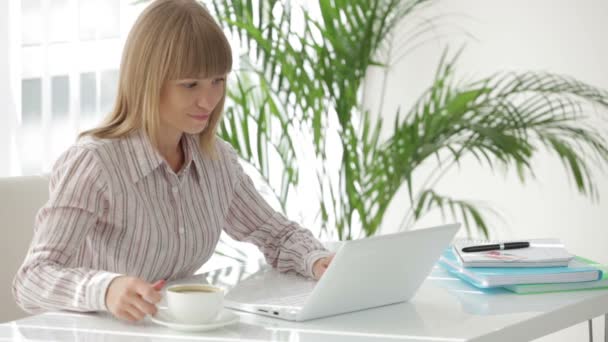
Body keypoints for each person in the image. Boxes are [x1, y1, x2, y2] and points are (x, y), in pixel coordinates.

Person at [12, 0, 334, 322]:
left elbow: (276, 235)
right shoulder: (95, 164)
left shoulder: (216, 161)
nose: (208, 100)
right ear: (148, 80)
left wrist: (317, 260)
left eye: (217, 81)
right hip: (99, 332)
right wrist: (106, 289)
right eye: (190, 84)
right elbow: (32, 279)